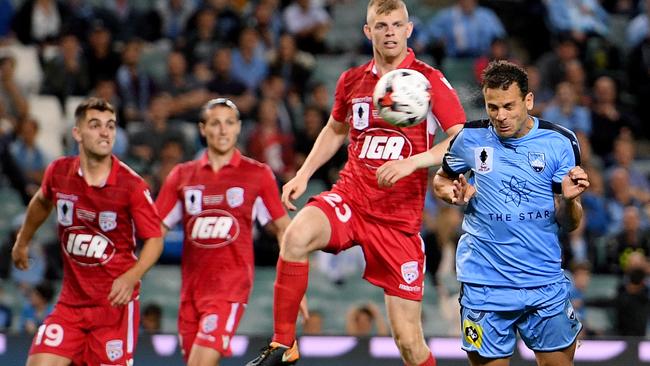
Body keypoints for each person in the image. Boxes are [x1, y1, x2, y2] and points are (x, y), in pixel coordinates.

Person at [246, 1, 466, 365]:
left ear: (409, 30)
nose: (390, 32)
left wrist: (413, 162)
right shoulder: (351, 80)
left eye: (397, 25)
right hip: (352, 199)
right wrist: (303, 174)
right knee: (296, 236)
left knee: (409, 344)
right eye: (382, 25)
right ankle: (283, 345)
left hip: (398, 221)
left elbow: (462, 139)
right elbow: (335, 130)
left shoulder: (428, 81)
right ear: (369, 31)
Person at [433, 60, 590, 366]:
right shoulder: (469, 139)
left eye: (509, 106)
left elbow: (569, 224)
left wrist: (570, 202)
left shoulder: (560, 142)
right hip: (484, 283)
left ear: (528, 100)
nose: (501, 116)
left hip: (543, 282)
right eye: (493, 108)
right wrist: (452, 195)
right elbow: (442, 179)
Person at [11, 97, 163, 366]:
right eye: (95, 125)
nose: (105, 132)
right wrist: (22, 241)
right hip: (71, 304)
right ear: (77, 133)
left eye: (111, 126)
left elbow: (154, 239)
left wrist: (132, 276)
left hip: (113, 310)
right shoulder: (59, 172)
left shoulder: (131, 186)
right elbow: (42, 201)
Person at [155, 98, 292, 366]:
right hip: (191, 292)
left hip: (230, 288)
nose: (222, 130)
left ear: (238, 128)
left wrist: (293, 286)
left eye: (229, 123)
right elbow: (155, 230)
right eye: (215, 123)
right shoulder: (182, 175)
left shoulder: (257, 174)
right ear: (202, 129)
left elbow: (284, 229)